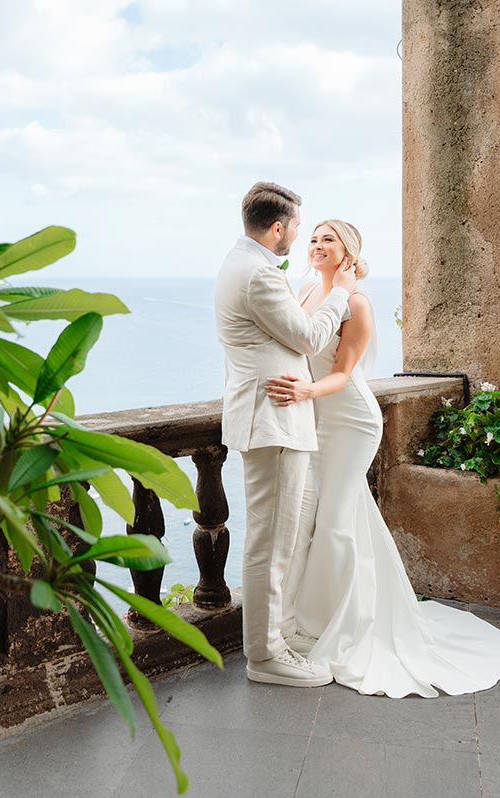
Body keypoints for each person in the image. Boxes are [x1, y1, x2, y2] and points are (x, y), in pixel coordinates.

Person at [265, 220, 500, 697]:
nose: (317, 245)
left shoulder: (356, 303)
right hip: (315, 421)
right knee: (330, 518)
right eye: (314, 238)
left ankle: (346, 626)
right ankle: (314, 618)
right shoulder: (301, 294)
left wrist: (305, 393)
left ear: (347, 251)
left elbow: (343, 372)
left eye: (328, 240)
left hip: (351, 420)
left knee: (335, 521)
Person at [213, 183, 358, 687]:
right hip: (272, 420)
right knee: (271, 545)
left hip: (270, 417)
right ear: (278, 227)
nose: (299, 237)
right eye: (298, 227)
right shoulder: (260, 276)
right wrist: (341, 292)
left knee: (278, 540)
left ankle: (278, 638)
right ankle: (266, 655)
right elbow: (313, 337)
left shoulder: (240, 263)